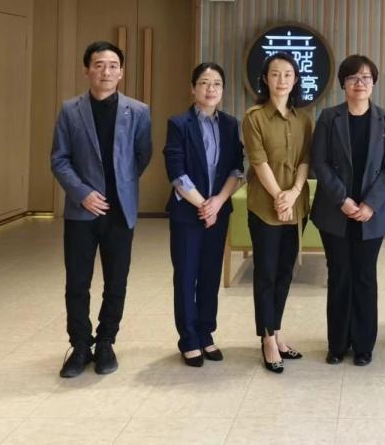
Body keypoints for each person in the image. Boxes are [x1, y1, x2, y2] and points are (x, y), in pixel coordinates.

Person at [50, 41, 152, 378]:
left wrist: (121, 185)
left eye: (112, 65)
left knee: (116, 281)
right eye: (98, 65)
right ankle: (80, 345)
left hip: (120, 211)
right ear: (87, 70)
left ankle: (106, 342)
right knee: (77, 282)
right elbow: (59, 159)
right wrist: (83, 193)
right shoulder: (70, 110)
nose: (105, 71)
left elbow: (142, 155)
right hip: (82, 212)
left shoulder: (138, 111)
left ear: (121, 72)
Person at [311, 54, 385, 366]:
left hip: (371, 215)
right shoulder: (328, 117)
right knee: (339, 275)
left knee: (364, 277)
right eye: (352, 78)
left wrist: (370, 204)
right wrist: (343, 200)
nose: (359, 83)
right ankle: (337, 344)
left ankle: (364, 345)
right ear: (343, 84)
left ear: (373, 83)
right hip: (335, 212)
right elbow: (320, 162)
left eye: (365, 77)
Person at [163, 62, 244, 367]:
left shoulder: (230, 124)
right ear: (193, 89)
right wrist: (203, 205)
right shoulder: (179, 123)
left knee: (210, 275)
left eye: (217, 84)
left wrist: (218, 203)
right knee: (186, 275)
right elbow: (176, 171)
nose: (211, 89)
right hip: (188, 213)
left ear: (223, 90)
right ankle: (188, 339)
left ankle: (206, 333)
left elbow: (237, 169)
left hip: (218, 212)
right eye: (204, 83)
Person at [242, 52, 313, 373]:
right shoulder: (254, 117)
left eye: (287, 74)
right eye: (274, 74)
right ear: (265, 79)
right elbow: (258, 162)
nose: (281, 80)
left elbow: (306, 160)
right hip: (264, 206)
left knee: (285, 272)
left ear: (295, 80)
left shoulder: (304, 119)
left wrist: (294, 193)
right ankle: (267, 338)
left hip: (297, 205)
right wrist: (279, 197)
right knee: (266, 273)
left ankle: (277, 331)